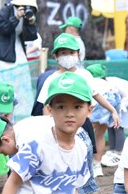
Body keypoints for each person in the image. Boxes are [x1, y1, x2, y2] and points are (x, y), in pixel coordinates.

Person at [37, 33, 121, 177]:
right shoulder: (51, 79)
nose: (68, 56)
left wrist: (112, 110)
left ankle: (90, 175)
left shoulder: (85, 75)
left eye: (71, 52)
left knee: (85, 154)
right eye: (63, 53)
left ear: (78, 54)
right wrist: (48, 123)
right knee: (61, 155)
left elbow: (96, 94)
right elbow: (45, 105)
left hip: (82, 123)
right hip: (60, 124)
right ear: (56, 56)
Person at [0, 0, 39, 69]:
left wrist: (31, 24)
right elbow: (2, 30)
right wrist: (16, 17)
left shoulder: (26, 16)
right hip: (4, 53)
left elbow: (31, 37)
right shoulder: (7, 10)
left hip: (19, 51)